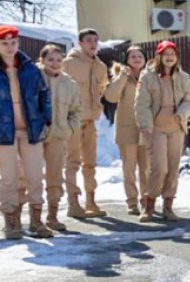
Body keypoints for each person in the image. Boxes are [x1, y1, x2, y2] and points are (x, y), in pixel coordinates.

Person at [0, 26, 52, 240]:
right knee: (9, 178)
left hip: (30, 130)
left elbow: (43, 95)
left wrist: (46, 120)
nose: (10, 47)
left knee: (35, 176)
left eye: (13, 43)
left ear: (19, 44)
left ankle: (37, 220)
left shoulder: (30, 68)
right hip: (4, 133)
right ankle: (12, 222)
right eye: (4, 43)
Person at [135, 40, 190, 223]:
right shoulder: (147, 77)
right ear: (158, 56)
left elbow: (189, 101)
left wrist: (182, 113)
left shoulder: (183, 77)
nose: (169, 57)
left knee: (173, 167)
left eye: (173, 54)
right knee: (159, 167)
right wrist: (145, 127)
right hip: (156, 128)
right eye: (165, 54)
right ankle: (149, 205)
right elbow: (141, 104)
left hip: (176, 127)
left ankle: (168, 206)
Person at [29, 44, 81, 232]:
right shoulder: (32, 78)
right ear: (41, 60)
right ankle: (31, 218)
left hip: (58, 136)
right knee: (31, 176)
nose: (55, 63)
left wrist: (68, 129)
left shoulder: (70, 85)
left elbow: (76, 112)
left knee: (55, 176)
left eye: (59, 60)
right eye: (50, 59)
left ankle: (52, 215)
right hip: (34, 136)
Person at [63, 28, 110, 218]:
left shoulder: (100, 66)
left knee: (90, 163)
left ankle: (91, 201)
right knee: (72, 162)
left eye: (95, 40)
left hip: (90, 120)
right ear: (80, 42)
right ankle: (73, 203)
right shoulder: (68, 63)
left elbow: (102, 90)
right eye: (89, 40)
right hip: (72, 120)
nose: (93, 44)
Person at [105, 46, 149, 215]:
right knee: (129, 167)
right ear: (127, 60)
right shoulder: (121, 77)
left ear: (145, 59)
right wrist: (122, 77)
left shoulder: (150, 77)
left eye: (140, 56)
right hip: (126, 128)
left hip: (146, 128)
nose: (137, 59)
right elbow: (111, 97)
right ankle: (131, 201)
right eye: (133, 56)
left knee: (146, 168)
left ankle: (146, 201)